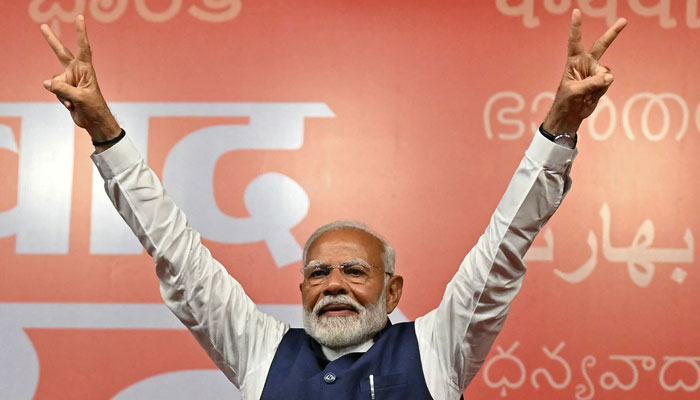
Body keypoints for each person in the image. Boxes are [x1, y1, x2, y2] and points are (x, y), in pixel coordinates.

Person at [40, 10, 626, 399]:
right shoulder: (262, 351)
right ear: (300, 292)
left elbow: (505, 246)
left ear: (393, 292)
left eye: (355, 271)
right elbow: (175, 253)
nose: (334, 284)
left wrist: (560, 126)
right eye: (318, 272)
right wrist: (103, 131)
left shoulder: (438, 345)